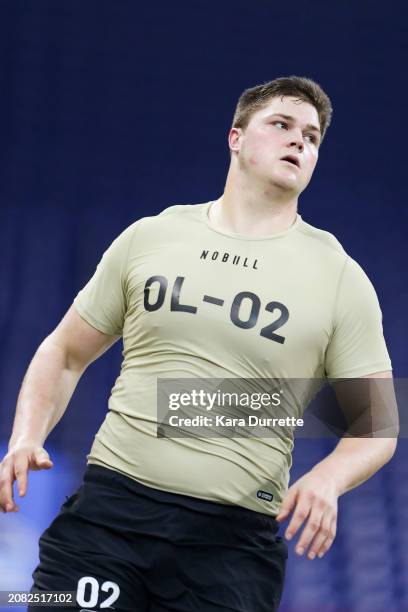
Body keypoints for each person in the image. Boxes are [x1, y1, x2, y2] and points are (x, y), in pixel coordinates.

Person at [0, 76, 397, 612]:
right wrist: (26, 436)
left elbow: (374, 426)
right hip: (108, 518)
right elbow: (65, 352)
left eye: (312, 136)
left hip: (230, 547)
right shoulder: (152, 237)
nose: (299, 141)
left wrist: (327, 479)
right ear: (236, 137)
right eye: (281, 125)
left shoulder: (340, 278)